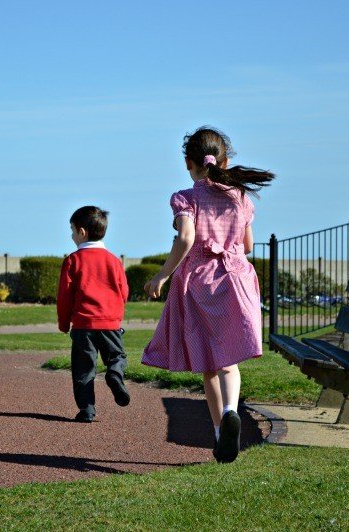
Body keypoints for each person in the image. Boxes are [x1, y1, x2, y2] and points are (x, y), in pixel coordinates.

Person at [142, 126, 274, 462]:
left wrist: (162, 274)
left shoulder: (186, 197)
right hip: (237, 277)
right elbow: (248, 245)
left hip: (201, 280)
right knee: (228, 360)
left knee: (209, 364)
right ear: (224, 160)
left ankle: (219, 430)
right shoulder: (240, 197)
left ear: (189, 163)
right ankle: (231, 411)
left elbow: (186, 239)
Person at [57, 206, 130, 423]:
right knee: (117, 357)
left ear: (81, 231)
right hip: (110, 324)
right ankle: (115, 375)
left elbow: (65, 297)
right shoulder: (114, 261)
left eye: (72, 230)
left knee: (83, 369)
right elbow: (123, 292)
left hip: (83, 325)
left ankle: (87, 410)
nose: (71, 236)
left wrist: (63, 323)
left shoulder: (73, 260)